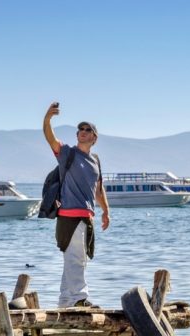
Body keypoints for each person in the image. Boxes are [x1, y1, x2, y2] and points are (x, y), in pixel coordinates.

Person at [43, 102, 110, 308]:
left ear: (94, 138)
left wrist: (106, 211)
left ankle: (65, 302)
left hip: (86, 216)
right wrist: (47, 119)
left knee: (73, 259)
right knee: (77, 258)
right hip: (69, 215)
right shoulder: (67, 153)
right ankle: (80, 298)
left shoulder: (96, 161)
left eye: (87, 129)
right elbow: (50, 137)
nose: (82, 132)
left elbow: (98, 190)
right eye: (80, 129)